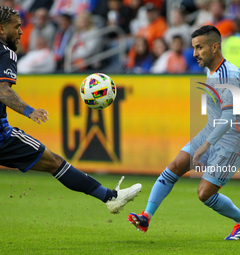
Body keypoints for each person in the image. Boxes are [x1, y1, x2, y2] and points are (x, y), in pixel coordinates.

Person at [0, 6, 141, 214]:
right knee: (55, 162)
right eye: (17, 27)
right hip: (2, 137)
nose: (22, 31)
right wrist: (30, 111)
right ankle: (110, 197)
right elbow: (2, 91)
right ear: (2, 30)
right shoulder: (5, 52)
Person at [128, 25, 240, 240]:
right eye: (194, 48)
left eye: (199, 48)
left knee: (204, 194)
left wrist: (205, 147)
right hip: (211, 129)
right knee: (175, 165)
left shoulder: (229, 75)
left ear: (215, 47)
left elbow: (228, 118)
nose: (194, 53)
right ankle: (146, 216)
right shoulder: (213, 69)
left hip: (231, 139)